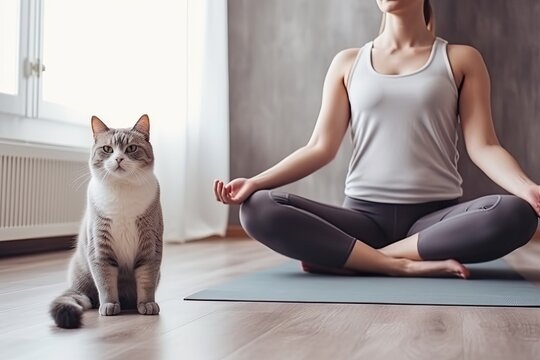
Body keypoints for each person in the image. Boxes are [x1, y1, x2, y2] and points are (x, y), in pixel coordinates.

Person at [214, 0, 539, 279]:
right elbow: (319, 148)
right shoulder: (348, 62)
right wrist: (254, 183)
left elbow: (484, 146)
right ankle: (399, 265)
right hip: (361, 219)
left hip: (434, 223)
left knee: (517, 213)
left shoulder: (461, 59)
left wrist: (526, 188)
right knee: (256, 209)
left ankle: (358, 259)